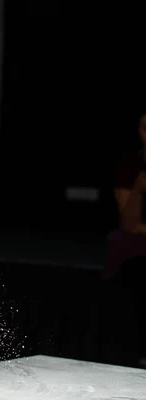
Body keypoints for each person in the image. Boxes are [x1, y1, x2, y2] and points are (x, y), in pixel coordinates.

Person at [100, 113, 146, 368]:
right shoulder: (131, 166)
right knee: (127, 249)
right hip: (137, 239)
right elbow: (129, 223)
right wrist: (139, 187)